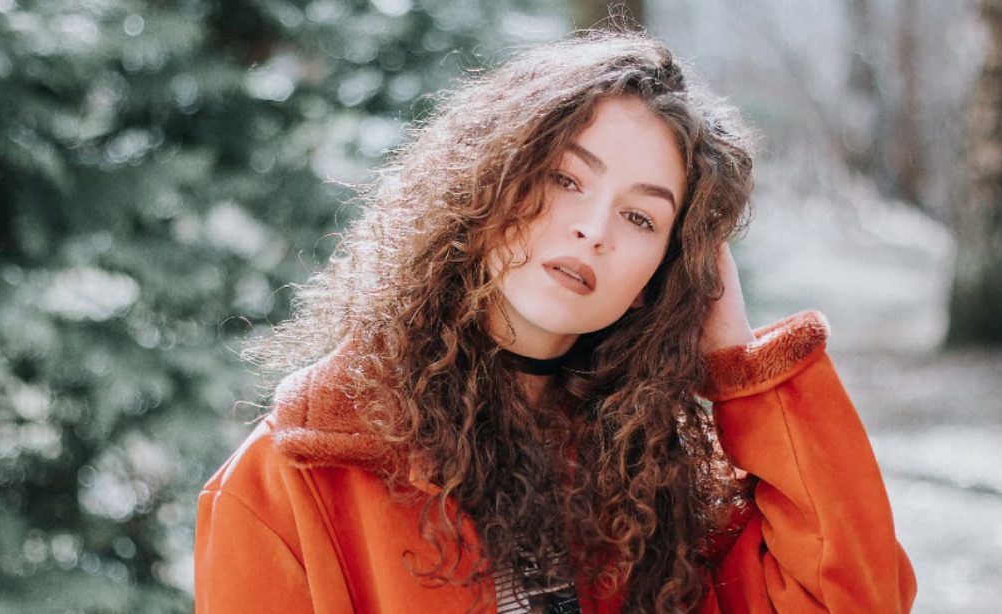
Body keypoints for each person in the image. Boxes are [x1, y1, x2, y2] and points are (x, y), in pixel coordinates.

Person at [193, 30, 916, 613]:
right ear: (485, 182)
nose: (593, 230)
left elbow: (857, 598)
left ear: (661, 278)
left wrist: (740, 367)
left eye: (640, 218)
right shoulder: (295, 479)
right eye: (566, 178)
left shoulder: (657, 481)